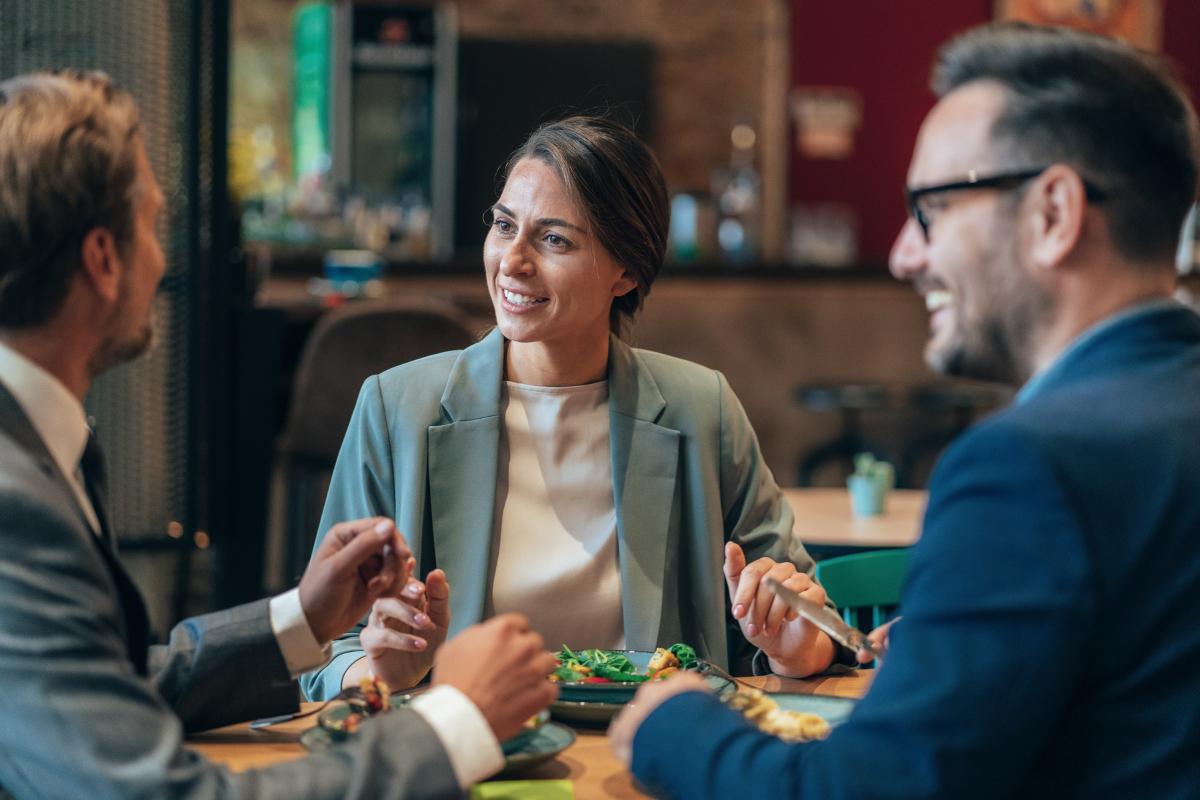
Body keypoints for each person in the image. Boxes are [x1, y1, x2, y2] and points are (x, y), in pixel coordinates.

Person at [610, 22, 1200, 799]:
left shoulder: (1027, 466)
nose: (903, 254)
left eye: (932, 208)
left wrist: (674, 726)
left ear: (1054, 213)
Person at [0, 70, 556, 798]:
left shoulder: (38, 450)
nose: (164, 260)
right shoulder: (17, 502)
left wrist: (302, 616)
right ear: (104, 260)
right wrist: (458, 720)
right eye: (153, 226)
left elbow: (107, 689)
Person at [302, 115, 852, 700]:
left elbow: (810, 624)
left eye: (554, 239)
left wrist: (795, 649)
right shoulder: (397, 409)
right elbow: (324, 656)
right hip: (463, 759)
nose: (512, 261)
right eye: (504, 225)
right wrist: (380, 672)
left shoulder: (701, 411)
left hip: (651, 757)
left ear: (627, 271)